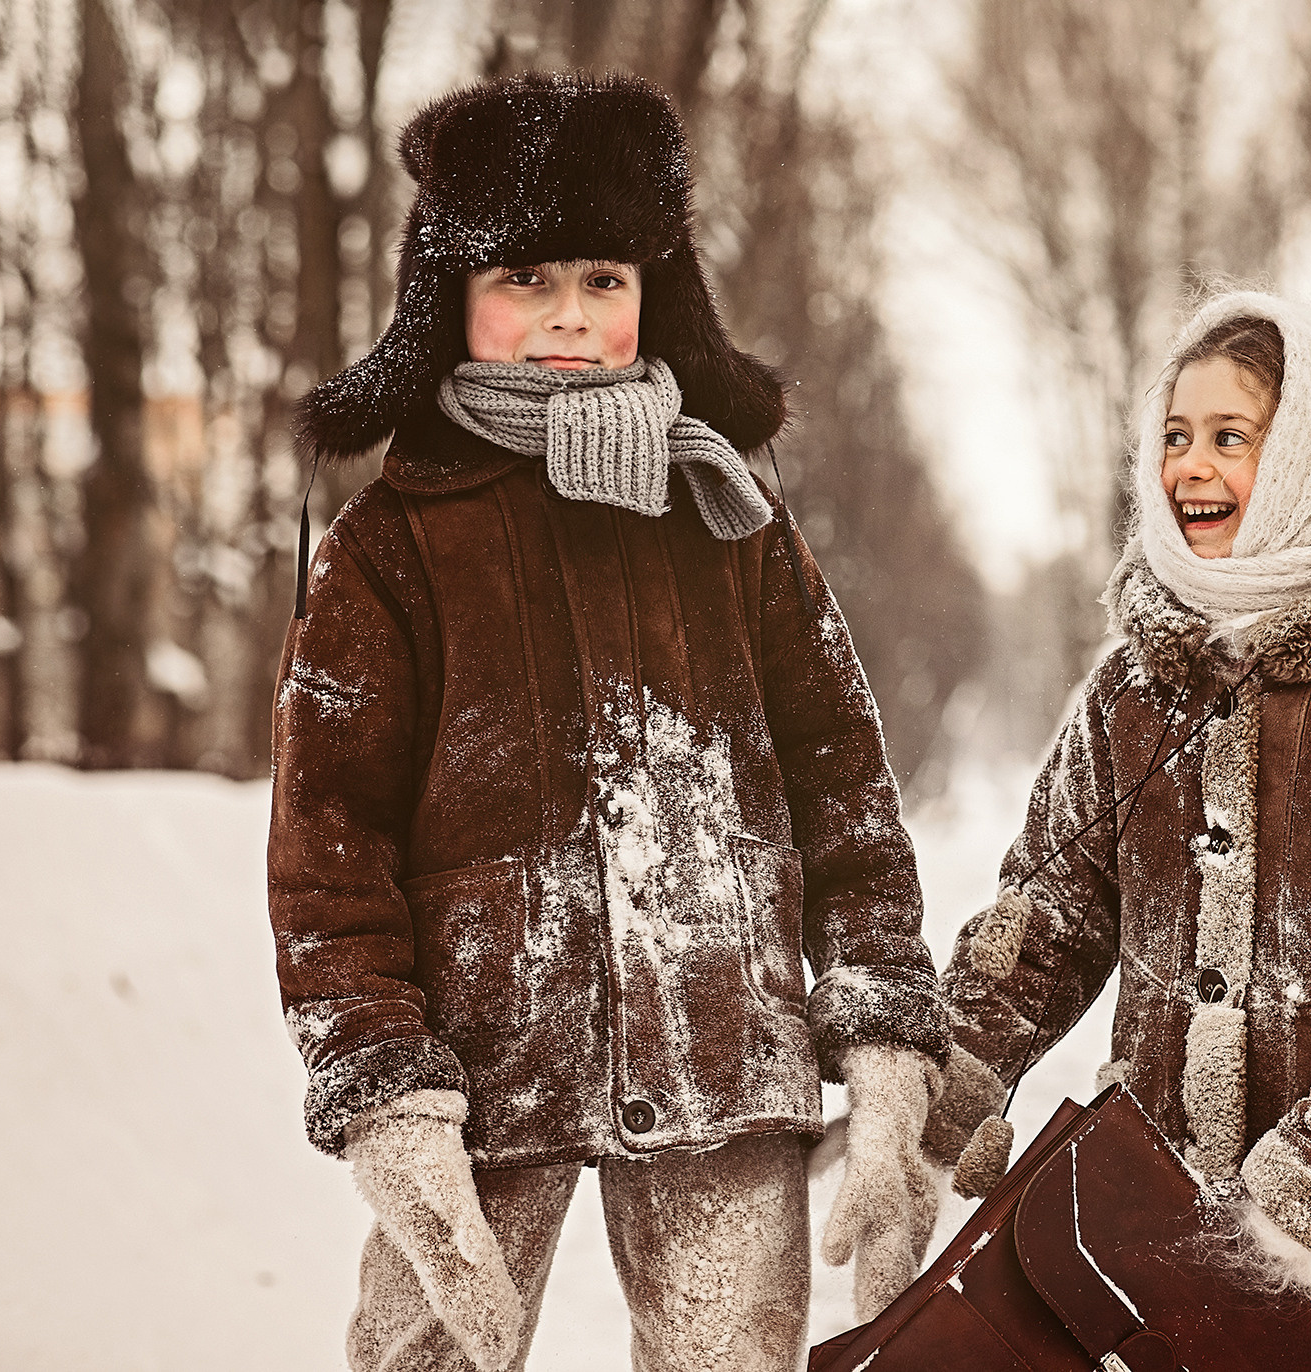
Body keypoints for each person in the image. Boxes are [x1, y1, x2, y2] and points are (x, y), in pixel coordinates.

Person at [267, 72, 946, 1372]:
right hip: (478, 1074)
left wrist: (882, 1027)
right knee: (422, 1355)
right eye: (524, 281)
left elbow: (844, 793)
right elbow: (327, 848)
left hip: (721, 1052)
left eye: (604, 279)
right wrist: (385, 1089)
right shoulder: (388, 549)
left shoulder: (730, 517)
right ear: (450, 298)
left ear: (657, 295)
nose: (568, 317)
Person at [927, 291, 1311, 1372]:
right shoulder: (1132, 688)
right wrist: (945, 1087)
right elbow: (1052, 910)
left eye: (1229, 438)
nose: (1189, 467)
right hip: (1173, 1214)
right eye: (1172, 436)